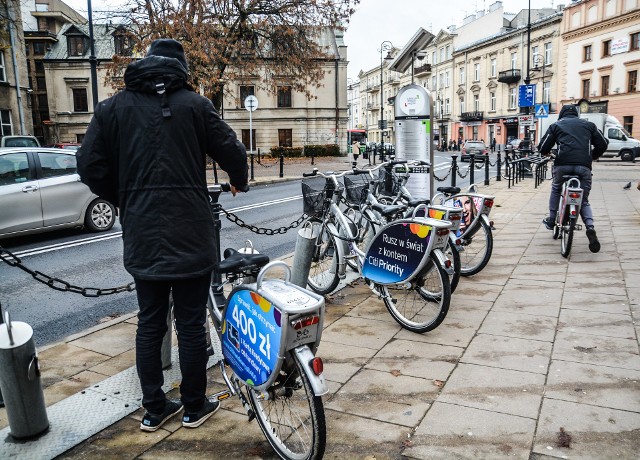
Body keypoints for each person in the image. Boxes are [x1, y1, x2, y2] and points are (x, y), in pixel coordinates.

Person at [77, 39, 248, 432]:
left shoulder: (111, 108)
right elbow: (231, 150)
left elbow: (88, 165)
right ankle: (193, 406)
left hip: (141, 231)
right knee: (190, 324)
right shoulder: (195, 105)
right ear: (180, 69)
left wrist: (122, 195)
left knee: (149, 322)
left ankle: (154, 408)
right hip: (190, 228)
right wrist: (238, 179)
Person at [537, 104, 608, 253]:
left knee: (556, 188)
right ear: (576, 114)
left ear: (562, 115)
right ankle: (590, 228)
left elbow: (542, 147)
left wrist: (549, 153)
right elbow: (603, 144)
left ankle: (551, 220)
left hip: (562, 166)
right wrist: (592, 156)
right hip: (584, 167)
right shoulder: (590, 125)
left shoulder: (556, 125)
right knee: (584, 199)